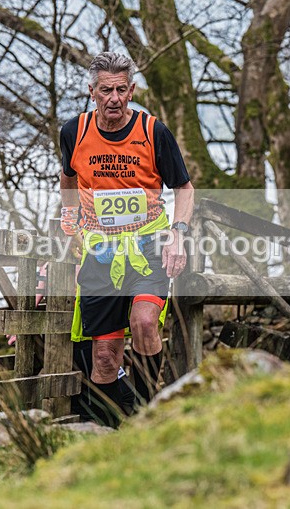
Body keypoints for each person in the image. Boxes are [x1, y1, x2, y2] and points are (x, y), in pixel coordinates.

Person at [60, 51, 194, 426]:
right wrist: (69, 218)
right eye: (106, 90)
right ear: (92, 92)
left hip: (148, 244)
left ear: (132, 90)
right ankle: (114, 431)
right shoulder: (74, 132)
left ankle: (150, 420)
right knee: (104, 356)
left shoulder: (154, 132)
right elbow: (68, 176)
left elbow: (184, 189)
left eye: (121, 90)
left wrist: (178, 235)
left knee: (145, 322)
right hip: (100, 250)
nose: (114, 98)